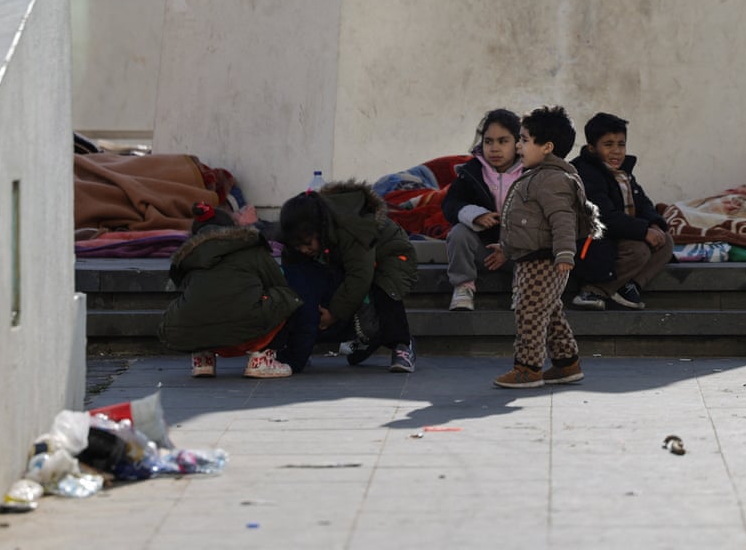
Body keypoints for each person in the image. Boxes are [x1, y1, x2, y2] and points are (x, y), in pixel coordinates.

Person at [492, 105, 601, 389]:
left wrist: (565, 253)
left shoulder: (553, 179)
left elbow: (562, 219)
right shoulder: (535, 175)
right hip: (530, 258)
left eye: (525, 140)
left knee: (529, 312)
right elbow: (521, 223)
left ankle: (528, 368)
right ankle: (567, 365)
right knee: (549, 312)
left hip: (545, 261)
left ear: (546, 147)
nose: (518, 146)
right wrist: (506, 248)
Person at [278, 181, 418, 372]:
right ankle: (369, 337)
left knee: (386, 289)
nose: (304, 249)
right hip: (353, 258)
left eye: (307, 243)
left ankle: (402, 345)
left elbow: (360, 276)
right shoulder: (308, 233)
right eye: (298, 245)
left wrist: (334, 314)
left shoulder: (351, 227)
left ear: (319, 228)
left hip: (392, 254)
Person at [158, 202, 302, 378]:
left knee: (195, 306)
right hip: (246, 329)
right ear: (232, 229)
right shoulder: (251, 247)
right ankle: (262, 360)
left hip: (191, 332)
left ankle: (203, 358)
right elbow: (278, 282)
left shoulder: (188, 258)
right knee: (286, 298)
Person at [569, 112, 673, 311]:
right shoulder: (586, 173)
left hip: (619, 233)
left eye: (621, 144)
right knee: (639, 250)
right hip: (592, 241)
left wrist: (653, 224)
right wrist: (643, 232)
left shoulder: (623, 174)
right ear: (592, 148)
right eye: (608, 145)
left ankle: (627, 286)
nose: (616, 151)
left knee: (666, 240)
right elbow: (603, 217)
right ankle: (593, 290)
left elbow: (643, 203)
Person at [441, 108, 524, 311]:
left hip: (519, 253)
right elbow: (451, 204)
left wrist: (508, 249)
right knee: (458, 233)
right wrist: (475, 215)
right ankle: (463, 287)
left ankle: (523, 291)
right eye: (489, 141)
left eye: (503, 141)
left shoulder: (530, 173)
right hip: (484, 253)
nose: (494, 148)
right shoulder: (472, 171)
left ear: (517, 143)